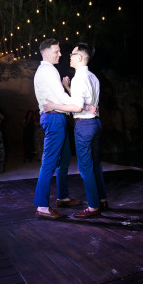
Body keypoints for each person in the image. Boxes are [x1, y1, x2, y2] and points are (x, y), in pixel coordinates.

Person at [43, 42, 108, 218]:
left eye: (72, 54)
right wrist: (69, 88)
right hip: (95, 124)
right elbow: (86, 103)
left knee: (85, 169)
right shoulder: (93, 77)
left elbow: (78, 108)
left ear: (79, 57)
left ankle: (93, 207)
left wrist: (52, 105)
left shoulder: (79, 78)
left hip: (84, 126)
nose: (69, 56)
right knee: (96, 164)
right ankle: (102, 199)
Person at [33, 38, 95, 220]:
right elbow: (61, 97)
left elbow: (58, 97)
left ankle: (62, 197)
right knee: (49, 163)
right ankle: (42, 207)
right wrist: (84, 106)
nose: (60, 54)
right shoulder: (48, 70)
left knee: (65, 156)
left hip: (58, 118)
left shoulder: (46, 70)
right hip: (53, 119)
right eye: (56, 51)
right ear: (45, 53)